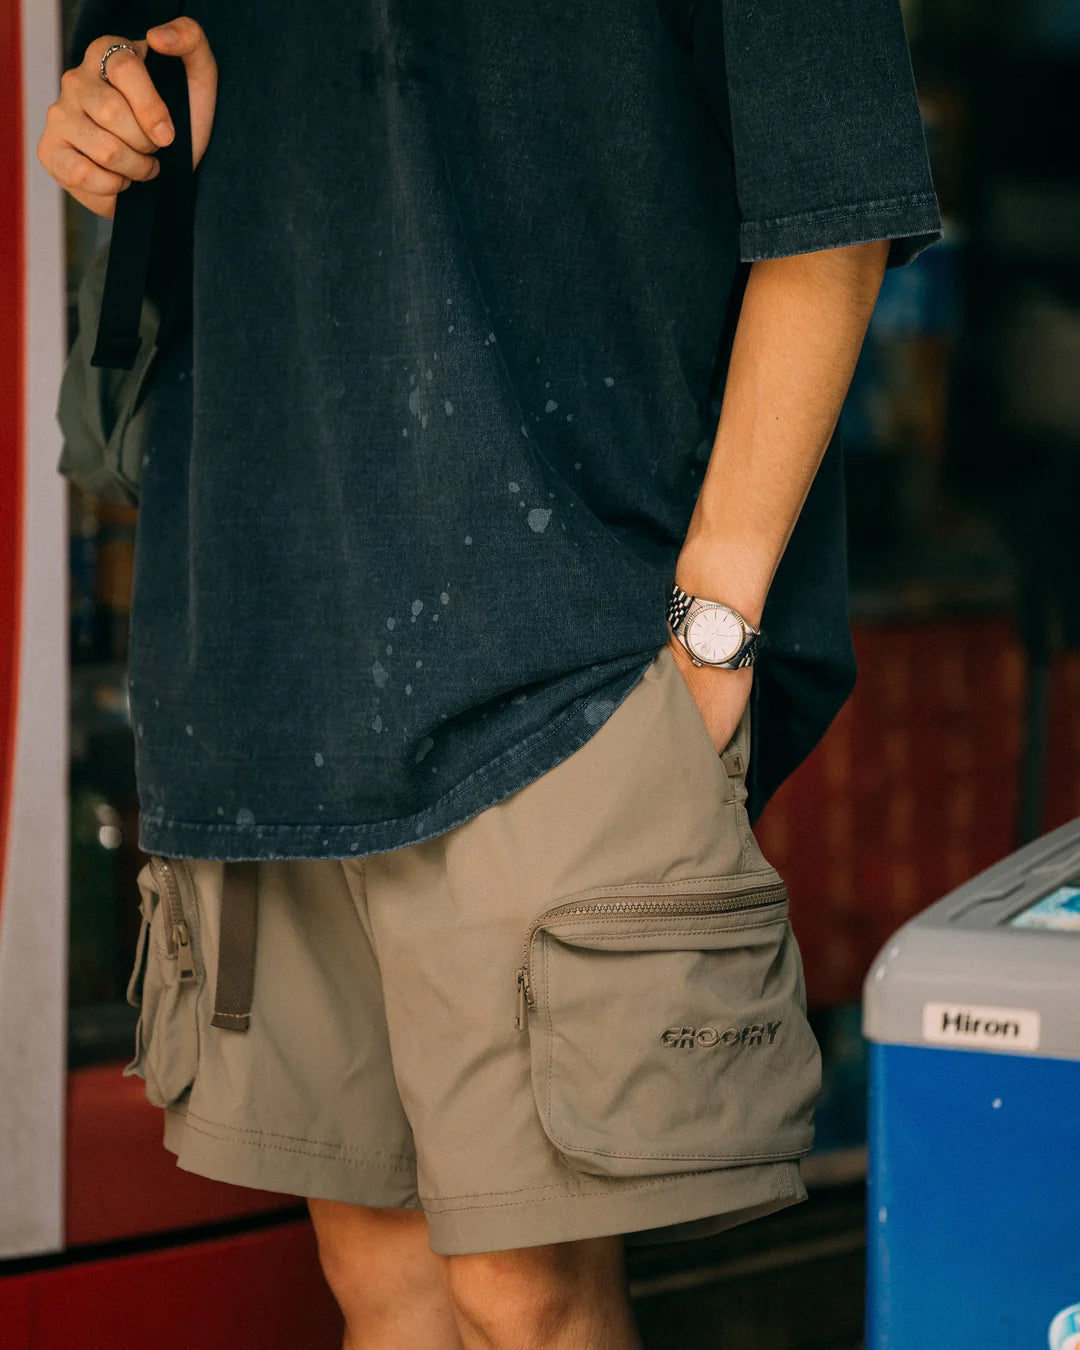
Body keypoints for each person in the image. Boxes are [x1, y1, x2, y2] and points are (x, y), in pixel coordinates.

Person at [38, 2, 941, 1345]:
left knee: (528, 1297)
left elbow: (838, 199)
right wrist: (109, 103)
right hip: (264, 629)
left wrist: (713, 628)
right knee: (380, 1277)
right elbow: (145, 61)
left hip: (567, 653)